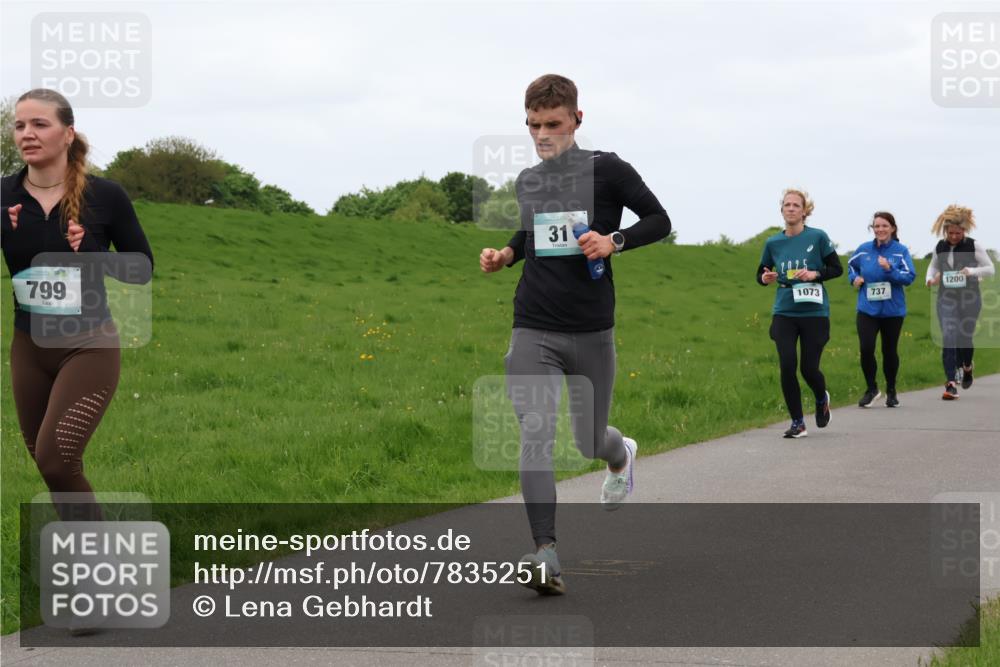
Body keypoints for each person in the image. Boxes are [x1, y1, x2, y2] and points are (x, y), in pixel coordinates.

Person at [479, 74, 671, 595]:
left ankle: (620, 455)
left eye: (554, 125)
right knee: (536, 433)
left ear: (577, 120)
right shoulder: (528, 180)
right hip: (533, 325)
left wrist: (615, 241)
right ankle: (546, 554)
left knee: (590, 440)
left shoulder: (607, 170)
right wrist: (506, 254)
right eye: (534, 126)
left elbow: (660, 219)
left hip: (591, 330)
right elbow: (530, 235)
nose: (544, 135)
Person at [2, 89, 153, 522]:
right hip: (28, 349)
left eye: (39, 124)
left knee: (55, 458)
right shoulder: (4, 195)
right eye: (19, 126)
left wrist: (91, 250)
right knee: (51, 464)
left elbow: (141, 270)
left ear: (67, 134)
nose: (27, 134)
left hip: (88, 345)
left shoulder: (104, 196)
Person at [757, 189, 842, 438]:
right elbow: (761, 273)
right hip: (784, 311)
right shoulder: (773, 243)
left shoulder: (817, 237)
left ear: (804, 211)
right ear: (781, 210)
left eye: (796, 205)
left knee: (808, 368)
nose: (791, 208)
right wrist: (765, 277)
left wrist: (815, 274)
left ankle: (820, 397)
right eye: (787, 205)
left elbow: (836, 268)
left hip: (814, 312)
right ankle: (797, 422)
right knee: (787, 364)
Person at [847, 212, 916, 408]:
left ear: (892, 228)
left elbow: (909, 276)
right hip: (867, 309)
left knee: (889, 350)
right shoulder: (864, 250)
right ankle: (871, 389)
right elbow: (851, 266)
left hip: (892, 311)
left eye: (884, 226)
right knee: (866, 348)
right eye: (876, 226)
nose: (880, 230)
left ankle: (891, 390)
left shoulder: (900, 251)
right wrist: (855, 279)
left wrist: (889, 269)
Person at [926, 205, 994, 400]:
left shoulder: (974, 246)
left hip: (970, 298)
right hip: (946, 298)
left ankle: (967, 366)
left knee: (965, 338)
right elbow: (932, 268)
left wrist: (971, 272)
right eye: (950, 233)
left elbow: (990, 269)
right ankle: (950, 383)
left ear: (964, 231)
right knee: (948, 335)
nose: (954, 236)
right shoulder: (940, 246)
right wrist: (929, 279)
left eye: (958, 233)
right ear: (945, 231)